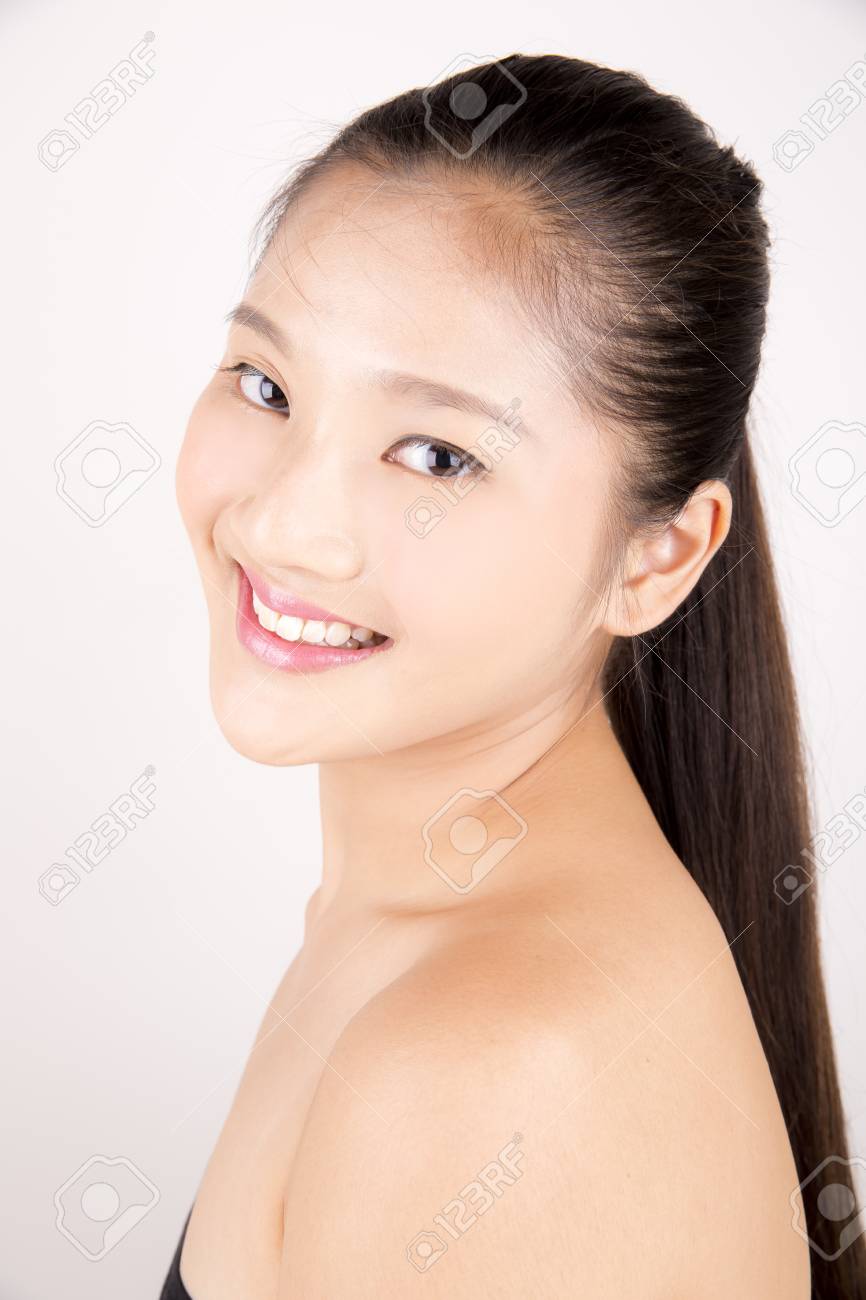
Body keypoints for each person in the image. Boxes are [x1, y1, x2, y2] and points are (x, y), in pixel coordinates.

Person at [167, 52, 863, 1299]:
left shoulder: (485, 1071)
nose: (277, 524)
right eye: (266, 384)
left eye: (436, 455)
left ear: (655, 559)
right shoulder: (410, 931)